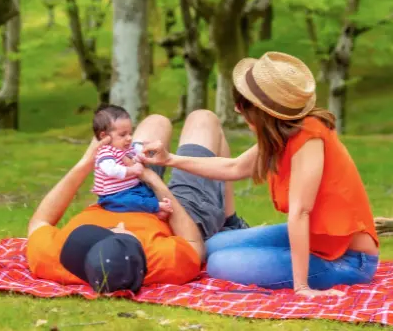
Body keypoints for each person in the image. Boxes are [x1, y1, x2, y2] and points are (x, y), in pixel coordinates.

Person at [138, 52, 380, 298]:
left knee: (218, 264)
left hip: (349, 259)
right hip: (317, 241)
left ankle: (303, 277)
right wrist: (168, 159)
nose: (236, 108)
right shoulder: (283, 133)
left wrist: (302, 287)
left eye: (242, 104)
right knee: (211, 247)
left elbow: (300, 212)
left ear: (262, 111)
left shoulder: (309, 135)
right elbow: (234, 168)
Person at [26, 112, 249, 293]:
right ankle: (229, 221)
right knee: (203, 120)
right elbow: (193, 243)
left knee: (156, 121)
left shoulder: (60, 258)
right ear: (124, 234)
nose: (109, 227)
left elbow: (40, 220)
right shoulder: (161, 261)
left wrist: (87, 162)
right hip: (175, 214)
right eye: (110, 232)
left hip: (118, 196)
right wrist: (153, 181)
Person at [91, 104, 173, 219]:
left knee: (147, 192)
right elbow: (111, 170)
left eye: (130, 133)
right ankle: (156, 206)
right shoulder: (105, 152)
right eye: (123, 134)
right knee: (131, 201)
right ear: (104, 136)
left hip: (131, 187)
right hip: (114, 195)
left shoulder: (124, 147)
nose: (129, 138)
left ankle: (154, 209)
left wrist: (144, 147)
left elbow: (135, 151)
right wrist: (131, 170)